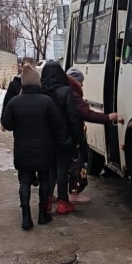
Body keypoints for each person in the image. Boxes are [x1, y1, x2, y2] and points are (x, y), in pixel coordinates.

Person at [0, 63, 67, 230]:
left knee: (24, 180)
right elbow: (58, 125)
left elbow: (6, 124)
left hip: (23, 149)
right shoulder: (47, 102)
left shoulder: (14, 102)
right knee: (45, 179)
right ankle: (43, 215)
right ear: (37, 81)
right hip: (45, 148)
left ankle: (26, 218)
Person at [65, 67, 119, 204]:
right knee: (76, 165)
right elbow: (86, 114)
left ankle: (57, 196)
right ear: (76, 81)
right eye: (81, 82)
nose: (82, 85)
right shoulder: (73, 94)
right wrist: (108, 117)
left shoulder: (63, 90)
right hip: (72, 135)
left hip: (63, 135)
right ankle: (74, 194)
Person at [40, 61, 84, 215]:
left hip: (46, 139)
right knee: (62, 170)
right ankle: (63, 202)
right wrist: (77, 138)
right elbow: (73, 118)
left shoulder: (41, 91)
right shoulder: (66, 91)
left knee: (49, 170)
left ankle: (46, 201)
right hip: (64, 138)